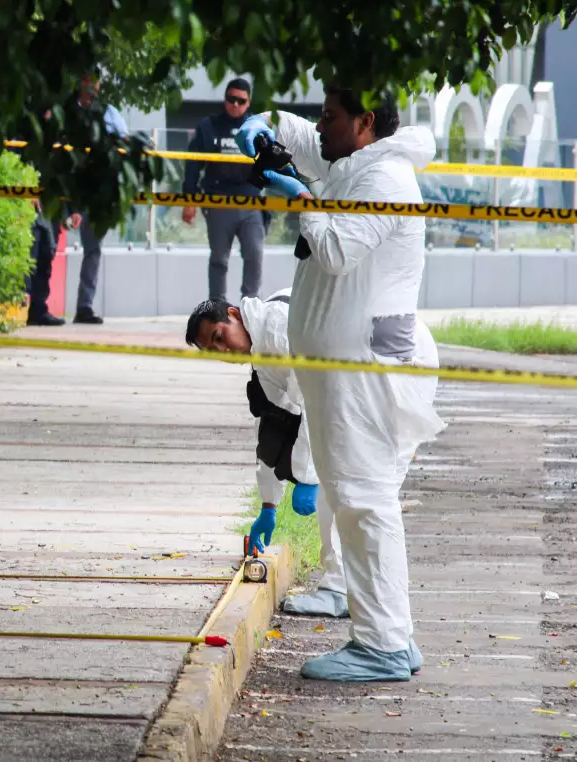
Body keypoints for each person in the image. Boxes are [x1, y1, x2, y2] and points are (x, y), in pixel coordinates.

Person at [235, 87, 445, 682]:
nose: (319, 126)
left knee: (362, 497)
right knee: (358, 498)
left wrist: (298, 194)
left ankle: (382, 644)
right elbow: (303, 142)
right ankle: (389, 637)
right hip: (346, 364)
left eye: (330, 116)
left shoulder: (384, 182)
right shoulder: (359, 165)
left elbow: (333, 250)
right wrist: (261, 125)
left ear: (366, 122)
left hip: (366, 367)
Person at [184, 289, 350, 617]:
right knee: (345, 491)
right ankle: (351, 589)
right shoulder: (261, 354)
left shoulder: (278, 330)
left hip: (375, 394)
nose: (222, 349)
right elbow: (276, 426)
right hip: (346, 402)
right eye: (212, 349)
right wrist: (268, 505)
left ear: (233, 314)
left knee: (341, 489)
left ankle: (341, 589)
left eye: (219, 336)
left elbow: (316, 404)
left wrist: (306, 477)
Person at [181, 78, 267, 302]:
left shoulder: (258, 128)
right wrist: (188, 201)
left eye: (241, 100)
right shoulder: (208, 126)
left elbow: (275, 164)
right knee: (219, 258)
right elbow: (192, 165)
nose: (235, 104)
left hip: (251, 201)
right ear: (224, 99)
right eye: (231, 99)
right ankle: (217, 309)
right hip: (219, 200)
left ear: (248, 103)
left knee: (255, 255)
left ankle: (251, 308)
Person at [69, 73, 129, 325]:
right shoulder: (67, 112)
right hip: (64, 190)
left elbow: (125, 144)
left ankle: (84, 307)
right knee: (45, 249)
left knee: (92, 251)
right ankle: (35, 305)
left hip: (96, 195)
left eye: (94, 82)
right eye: (85, 80)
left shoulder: (109, 113)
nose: (90, 87)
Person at [25, 200, 66, 326]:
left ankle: (38, 311)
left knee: (45, 258)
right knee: (31, 260)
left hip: (51, 210)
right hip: (32, 211)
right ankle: (24, 303)